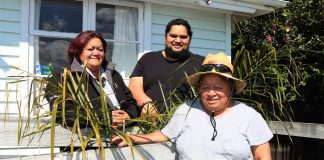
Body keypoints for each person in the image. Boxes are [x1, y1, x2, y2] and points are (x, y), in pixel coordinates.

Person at [111, 53, 273, 160]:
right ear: (199, 89)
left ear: (231, 89)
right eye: (205, 87)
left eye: (218, 87)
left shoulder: (249, 116)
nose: (211, 93)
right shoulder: (187, 109)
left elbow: (262, 157)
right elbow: (164, 134)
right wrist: (131, 138)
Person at [45, 30, 139, 129]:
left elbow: (131, 103)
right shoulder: (62, 79)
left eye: (100, 49)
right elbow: (62, 113)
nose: (96, 53)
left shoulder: (114, 75)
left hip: (126, 137)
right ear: (78, 52)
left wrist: (128, 115)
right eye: (90, 49)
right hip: (89, 141)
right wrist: (106, 119)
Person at [129, 18, 204, 115]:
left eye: (183, 37)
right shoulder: (148, 58)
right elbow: (134, 87)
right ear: (166, 37)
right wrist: (146, 103)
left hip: (187, 122)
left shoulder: (200, 62)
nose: (178, 40)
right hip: (151, 121)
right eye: (173, 36)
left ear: (189, 39)